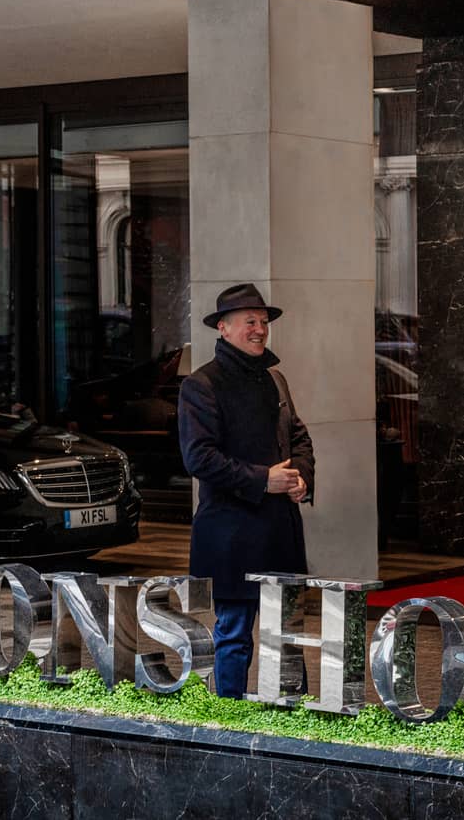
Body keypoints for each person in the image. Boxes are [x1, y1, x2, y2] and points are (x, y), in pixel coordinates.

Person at [177, 283, 314, 698]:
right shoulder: (201, 385)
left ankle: (290, 721)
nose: (260, 329)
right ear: (224, 328)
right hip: (230, 535)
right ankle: (230, 719)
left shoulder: (276, 379)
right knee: (234, 634)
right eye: (249, 321)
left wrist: (301, 478)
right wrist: (263, 480)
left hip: (279, 532)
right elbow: (198, 458)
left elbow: (300, 437)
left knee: (287, 640)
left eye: (263, 321)